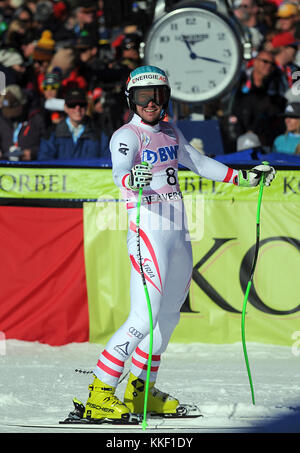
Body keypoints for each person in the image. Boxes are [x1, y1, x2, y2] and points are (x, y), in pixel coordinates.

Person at [81, 65, 276, 421]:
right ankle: (99, 392)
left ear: (166, 98)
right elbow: (120, 174)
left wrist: (244, 179)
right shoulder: (127, 135)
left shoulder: (171, 131)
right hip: (148, 235)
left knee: (167, 319)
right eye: (143, 97)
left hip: (177, 235)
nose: (151, 103)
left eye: (157, 96)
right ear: (131, 100)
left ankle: (141, 392)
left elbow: (199, 162)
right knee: (142, 319)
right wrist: (132, 178)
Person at [230, 49, 287, 149]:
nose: (269, 66)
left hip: (264, 139)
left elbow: (275, 112)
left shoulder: (277, 84)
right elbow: (232, 108)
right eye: (265, 61)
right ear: (255, 61)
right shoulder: (241, 80)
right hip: (238, 137)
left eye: (272, 64)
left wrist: (254, 130)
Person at [38, 87, 108, 160]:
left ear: (87, 106)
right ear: (65, 108)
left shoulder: (101, 133)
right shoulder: (51, 133)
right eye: (72, 105)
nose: (77, 109)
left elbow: (107, 160)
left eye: (81, 104)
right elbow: (44, 161)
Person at [0, 84, 46, 160]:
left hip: (30, 167)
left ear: (23, 103)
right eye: (7, 110)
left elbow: (48, 145)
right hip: (5, 166)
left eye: (13, 111)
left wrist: (34, 153)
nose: (11, 116)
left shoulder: (37, 118)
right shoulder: (1, 118)